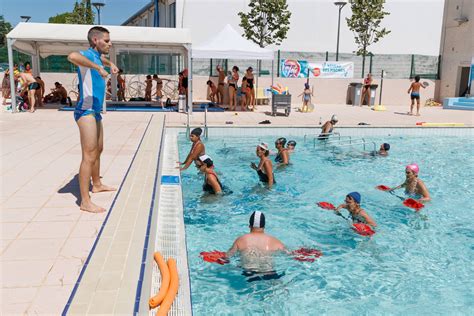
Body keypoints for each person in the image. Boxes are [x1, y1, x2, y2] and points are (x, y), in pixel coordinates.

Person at [67, 26, 118, 213]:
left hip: (95, 111)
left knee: (99, 149)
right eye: (106, 40)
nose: (109, 43)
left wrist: (109, 63)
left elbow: (102, 59)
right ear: (95, 40)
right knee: (88, 154)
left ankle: (96, 184)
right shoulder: (86, 56)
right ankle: (85, 201)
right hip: (85, 110)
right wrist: (98, 68)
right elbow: (71, 56)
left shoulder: (97, 57)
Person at [226, 211, 287, 281]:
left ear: (249, 226)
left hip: (249, 273)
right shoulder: (275, 241)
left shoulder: (241, 239)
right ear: (264, 226)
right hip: (269, 273)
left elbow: (227, 257)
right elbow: (290, 254)